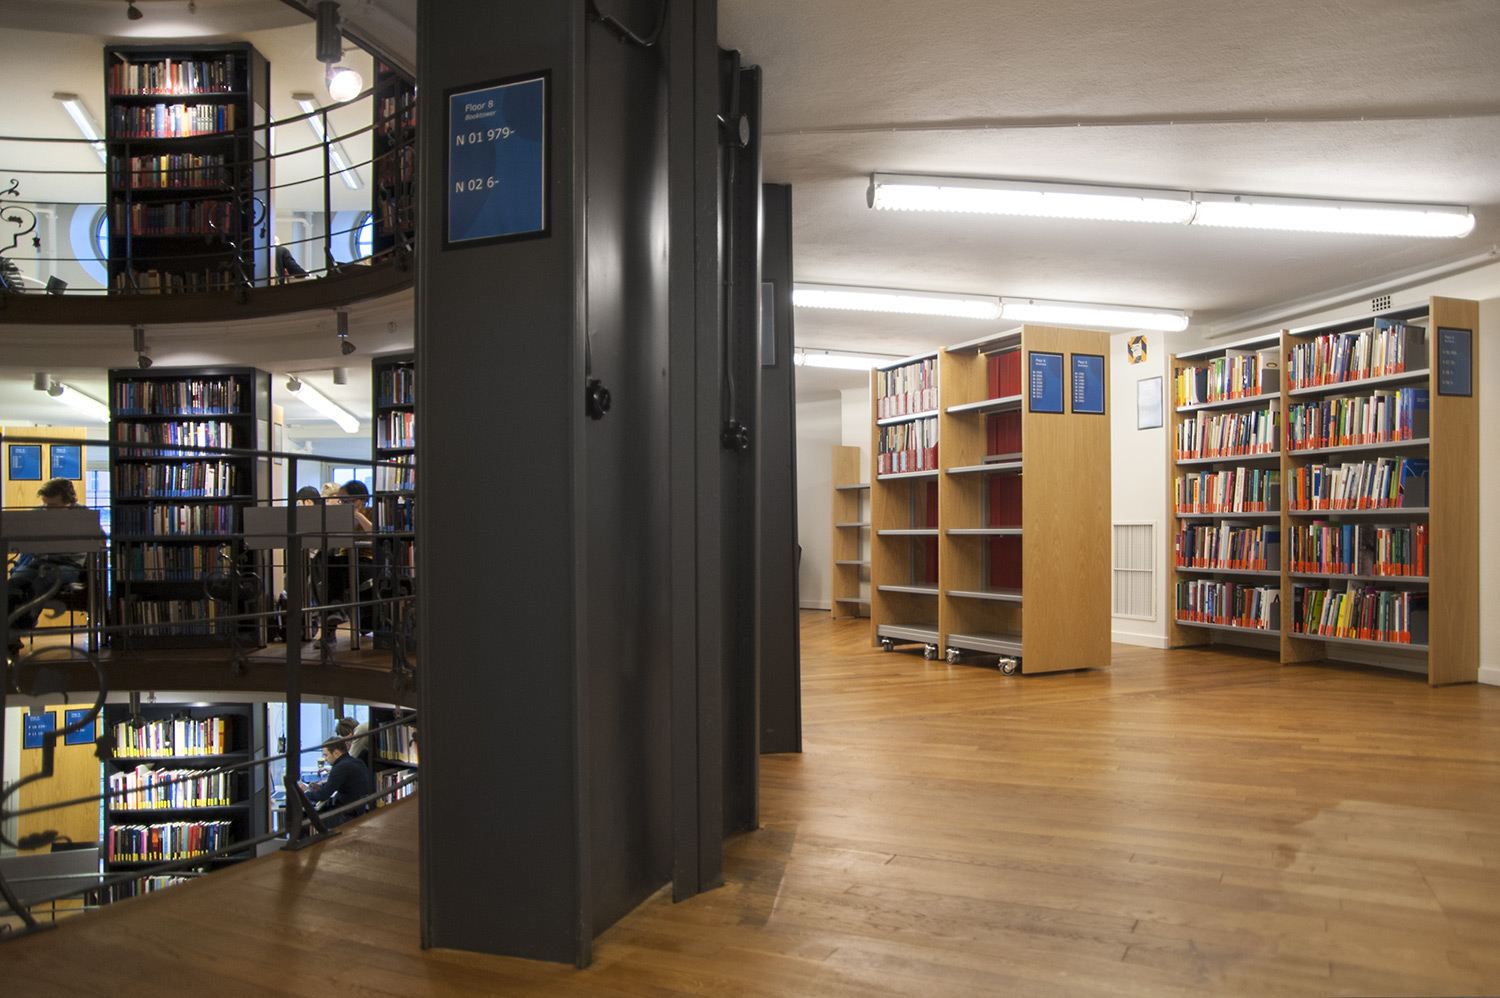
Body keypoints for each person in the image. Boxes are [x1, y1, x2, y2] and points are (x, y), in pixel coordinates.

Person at [6, 479, 87, 661]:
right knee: (13, 583)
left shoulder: (83, 514)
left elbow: (99, 540)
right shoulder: (37, 513)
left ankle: (22, 625)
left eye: (53, 506)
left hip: (68, 565)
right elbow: (25, 543)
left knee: (45, 580)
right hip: (40, 561)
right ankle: (12, 635)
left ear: (68, 501)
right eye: (45, 504)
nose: (47, 509)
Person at [296, 736, 372, 828]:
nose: (325, 759)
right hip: (357, 811)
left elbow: (323, 796)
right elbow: (338, 784)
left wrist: (304, 792)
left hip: (345, 815)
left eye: (326, 755)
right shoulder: (357, 762)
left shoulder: (340, 767)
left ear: (336, 753)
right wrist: (321, 787)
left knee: (303, 817)